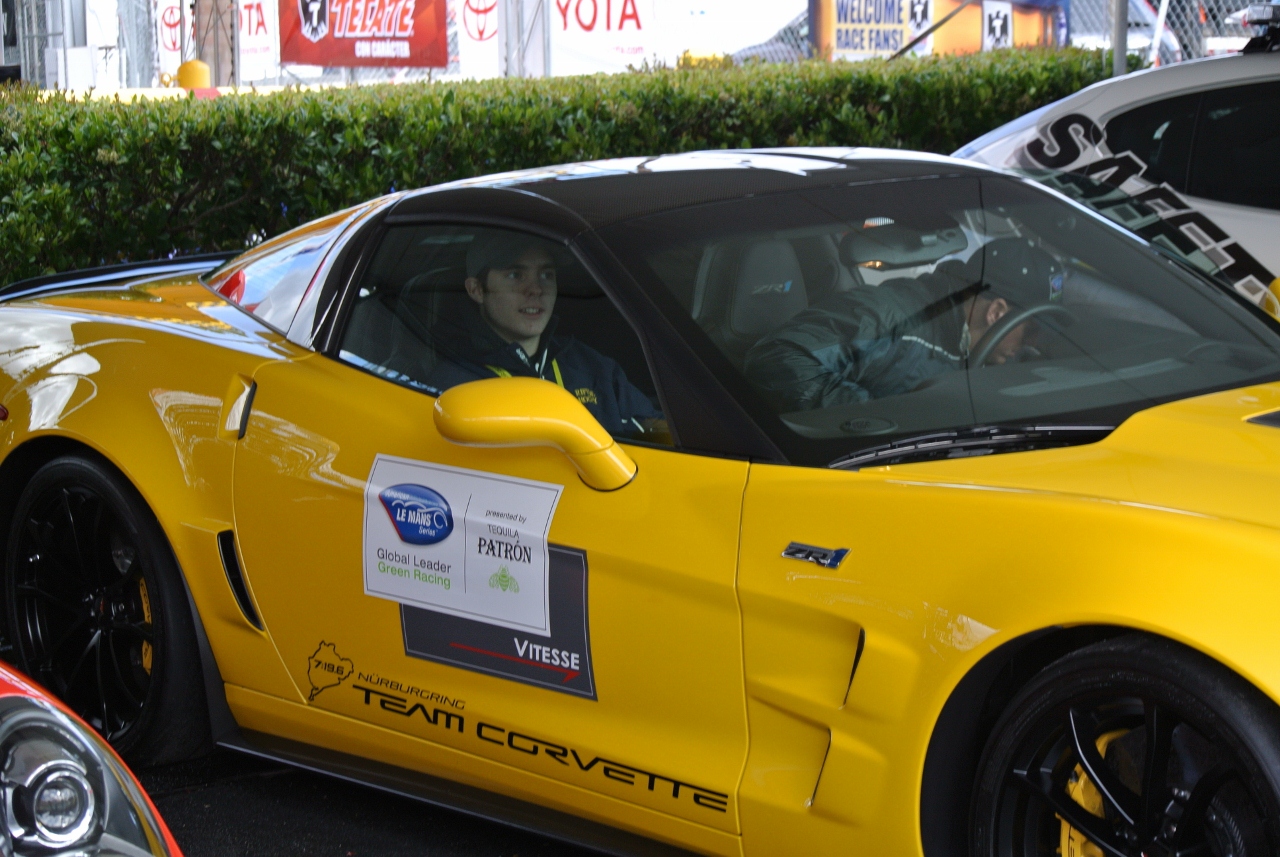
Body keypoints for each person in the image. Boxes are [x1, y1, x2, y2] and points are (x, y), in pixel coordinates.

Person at [743, 237, 1064, 412]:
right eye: (1031, 330)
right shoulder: (892, 319)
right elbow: (777, 359)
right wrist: (878, 419)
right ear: (996, 312)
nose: (1031, 345)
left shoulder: (990, 351)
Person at [426, 232, 665, 439]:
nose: (536, 289)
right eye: (515, 275)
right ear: (477, 290)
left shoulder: (591, 366)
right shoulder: (452, 386)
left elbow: (657, 431)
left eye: (546, 275)